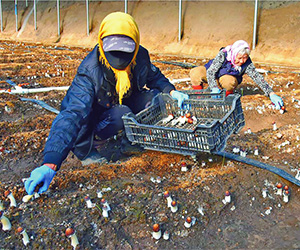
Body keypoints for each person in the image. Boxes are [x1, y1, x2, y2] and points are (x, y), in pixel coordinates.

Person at [25, 12, 188, 195]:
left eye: (126, 48)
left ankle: (131, 139)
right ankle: (90, 146)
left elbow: (154, 77)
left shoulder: (140, 56)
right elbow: (72, 113)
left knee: (153, 100)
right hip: (99, 114)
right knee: (121, 114)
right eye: (113, 48)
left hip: (124, 98)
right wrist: (50, 162)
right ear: (102, 44)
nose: (119, 57)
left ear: (135, 44)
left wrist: (172, 92)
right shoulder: (90, 71)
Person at [189, 40, 284, 109]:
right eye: (239, 58)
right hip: (214, 74)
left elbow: (257, 77)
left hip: (225, 79)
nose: (242, 61)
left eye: (245, 58)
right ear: (234, 54)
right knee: (196, 73)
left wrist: (271, 93)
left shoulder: (247, 63)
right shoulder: (224, 54)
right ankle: (199, 98)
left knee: (229, 82)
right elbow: (211, 72)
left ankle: (224, 101)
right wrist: (213, 87)